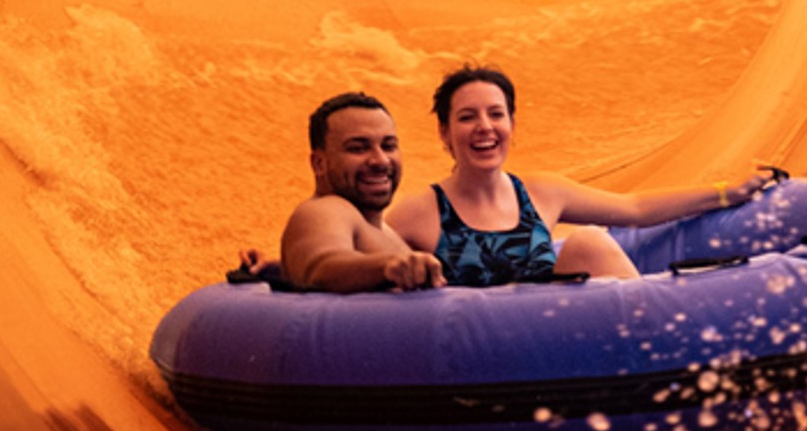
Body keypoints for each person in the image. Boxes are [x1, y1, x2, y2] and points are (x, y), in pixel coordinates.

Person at [384, 65, 774, 286]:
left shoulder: (541, 192)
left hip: (559, 342)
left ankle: (669, 348)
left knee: (588, 243)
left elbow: (635, 208)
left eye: (496, 114)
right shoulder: (419, 213)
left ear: (512, 125)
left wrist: (727, 192)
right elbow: (366, 260)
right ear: (445, 132)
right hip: (484, 355)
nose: (484, 127)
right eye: (467, 117)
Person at [273, 92, 446, 292]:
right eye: (358, 148)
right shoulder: (324, 210)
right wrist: (387, 266)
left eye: (388, 146)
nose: (381, 160)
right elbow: (321, 268)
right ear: (319, 163)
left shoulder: (381, 230)